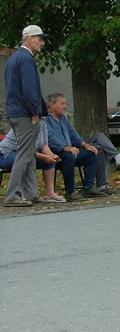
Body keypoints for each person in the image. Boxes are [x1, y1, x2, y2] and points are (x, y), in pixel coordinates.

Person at [3, 25, 49, 207]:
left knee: (29, 153)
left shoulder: (14, 58)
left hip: (15, 111)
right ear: (30, 38)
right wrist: (35, 112)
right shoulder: (26, 59)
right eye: (39, 39)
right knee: (24, 154)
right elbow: (30, 89)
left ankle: (31, 193)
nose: (42, 43)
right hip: (25, 114)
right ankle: (12, 195)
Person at [0, 120, 65, 202]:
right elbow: (26, 149)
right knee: (26, 160)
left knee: (49, 162)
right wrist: (45, 157)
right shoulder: (23, 124)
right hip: (6, 154)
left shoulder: (43, 124)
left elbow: (44, 146)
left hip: (29, 154)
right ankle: (22, 194)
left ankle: (50, 193)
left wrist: (52, 156)